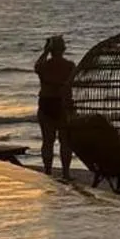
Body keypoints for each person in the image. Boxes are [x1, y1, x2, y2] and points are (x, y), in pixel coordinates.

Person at [33, 35, 76, 179]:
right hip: (62, 104)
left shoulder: (44, 66)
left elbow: (37, 67)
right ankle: (65, 172)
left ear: (50, 50)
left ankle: (47, 170)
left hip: (46, 103)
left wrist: (45, 51)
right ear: (63, 49)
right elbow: (72, 84)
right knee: (65, 141)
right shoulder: (69, 65)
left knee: (47, 141)